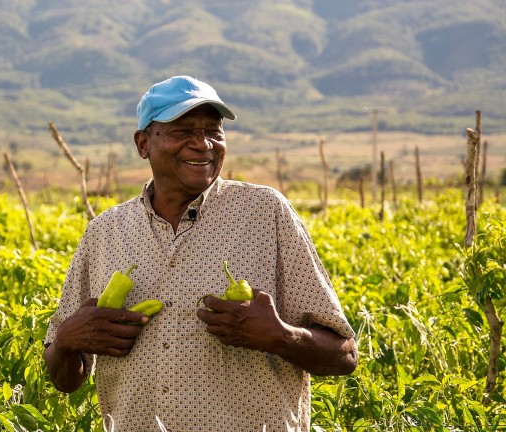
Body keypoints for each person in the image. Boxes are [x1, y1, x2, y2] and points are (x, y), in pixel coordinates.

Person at [44, 75, 358, 431]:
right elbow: (65, 379)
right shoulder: (106, 231)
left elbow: (344, 355)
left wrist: (280, 336)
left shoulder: (265, 212)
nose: (203, 144)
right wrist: (67, 341)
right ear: (143, 143)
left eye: (214, 131)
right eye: (182, 132)